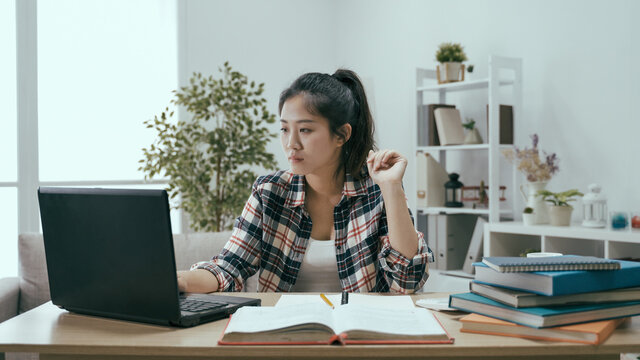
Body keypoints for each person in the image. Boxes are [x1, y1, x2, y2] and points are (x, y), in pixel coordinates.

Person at [177, 69, 433, 293]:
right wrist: (179, 281)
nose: (291, 144)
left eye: (305, 130)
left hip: (360, 338)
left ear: (341, 135)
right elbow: (229, 268)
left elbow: (408, 281)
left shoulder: (376, 192)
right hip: (285, 338)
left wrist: (391, 187)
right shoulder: (269, 192)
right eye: (285, 129)